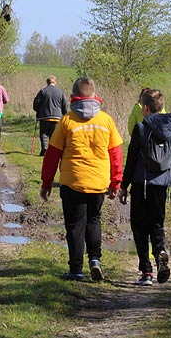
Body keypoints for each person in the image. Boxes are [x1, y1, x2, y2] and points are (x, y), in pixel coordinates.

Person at [40, 77, 123, 282]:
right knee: (93, 220)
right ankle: (95, 260)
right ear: (95, 97)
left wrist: (47, 182)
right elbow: (116, 154)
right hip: (98, 182)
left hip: (72, 181)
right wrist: (116, 182)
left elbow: (52, 155)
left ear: (72, 97)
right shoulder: (106, 121)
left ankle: (76, 269)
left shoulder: (67, 121)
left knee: (75, 226)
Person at [119, 89, 171, 286]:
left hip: (141, 185)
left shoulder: (140, 129)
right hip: (161, 187)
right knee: (157, 224)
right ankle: (160, 253)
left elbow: (131, 161)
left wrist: (124, 186)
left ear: (145, 108)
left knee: (139, 228)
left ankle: (146, 271)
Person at [33, 75, 68, 156]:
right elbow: (64, 105)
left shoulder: (42, 91)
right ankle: (51, 151)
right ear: (55, 82)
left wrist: (38, 111)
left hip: (44, 116)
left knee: (43, 133)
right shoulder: (60, 92)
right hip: (56, 118)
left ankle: (44, 148)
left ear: (47, 82)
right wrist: (64, 115)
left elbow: (36, 104)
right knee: (53, 135)